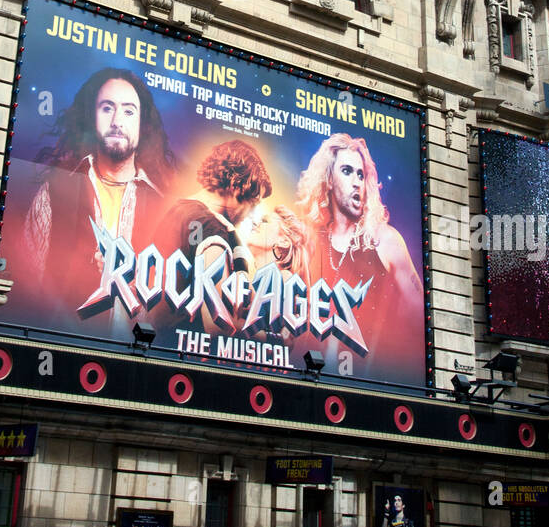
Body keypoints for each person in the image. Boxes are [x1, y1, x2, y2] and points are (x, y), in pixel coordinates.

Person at [18, 68, 175, 321]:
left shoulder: (164, 206)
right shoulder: (56, 190)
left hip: (140, 352)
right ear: (92, 117)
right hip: (60, 341)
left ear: (142, 124)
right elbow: (27, 281)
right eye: (107, 108)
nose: (117, 121)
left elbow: (172, 306)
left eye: (128, 111)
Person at [297, 134, 423, 378]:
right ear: (329, 179)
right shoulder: (312, 239)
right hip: (309, 380)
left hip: (376, 385)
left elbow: (418, 325)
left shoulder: (384, 240)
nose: (357, 182)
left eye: (361, 175)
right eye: (347, 171)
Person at [153, 140, 272, 330]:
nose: (252, 214)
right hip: (190, 356)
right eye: (254, 202)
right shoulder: (212, 229)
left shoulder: (179, 210)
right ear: (236, 186)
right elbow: (218, 326)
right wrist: (272, 340)